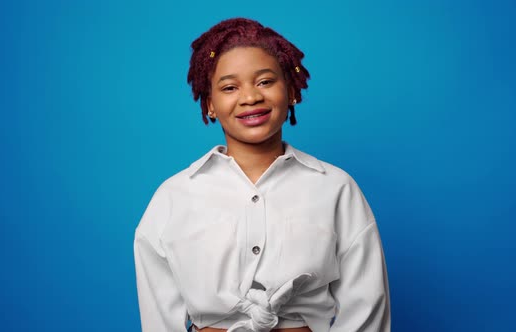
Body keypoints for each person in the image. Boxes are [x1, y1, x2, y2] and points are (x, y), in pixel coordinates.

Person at [134, 18, 390, 332]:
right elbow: (159, 318)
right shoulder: (173, 197)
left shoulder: (336, 188)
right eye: (229, 87)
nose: (250, 97)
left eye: (265, 81)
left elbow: (366, 304)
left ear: (291, 90)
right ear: (211, 104)